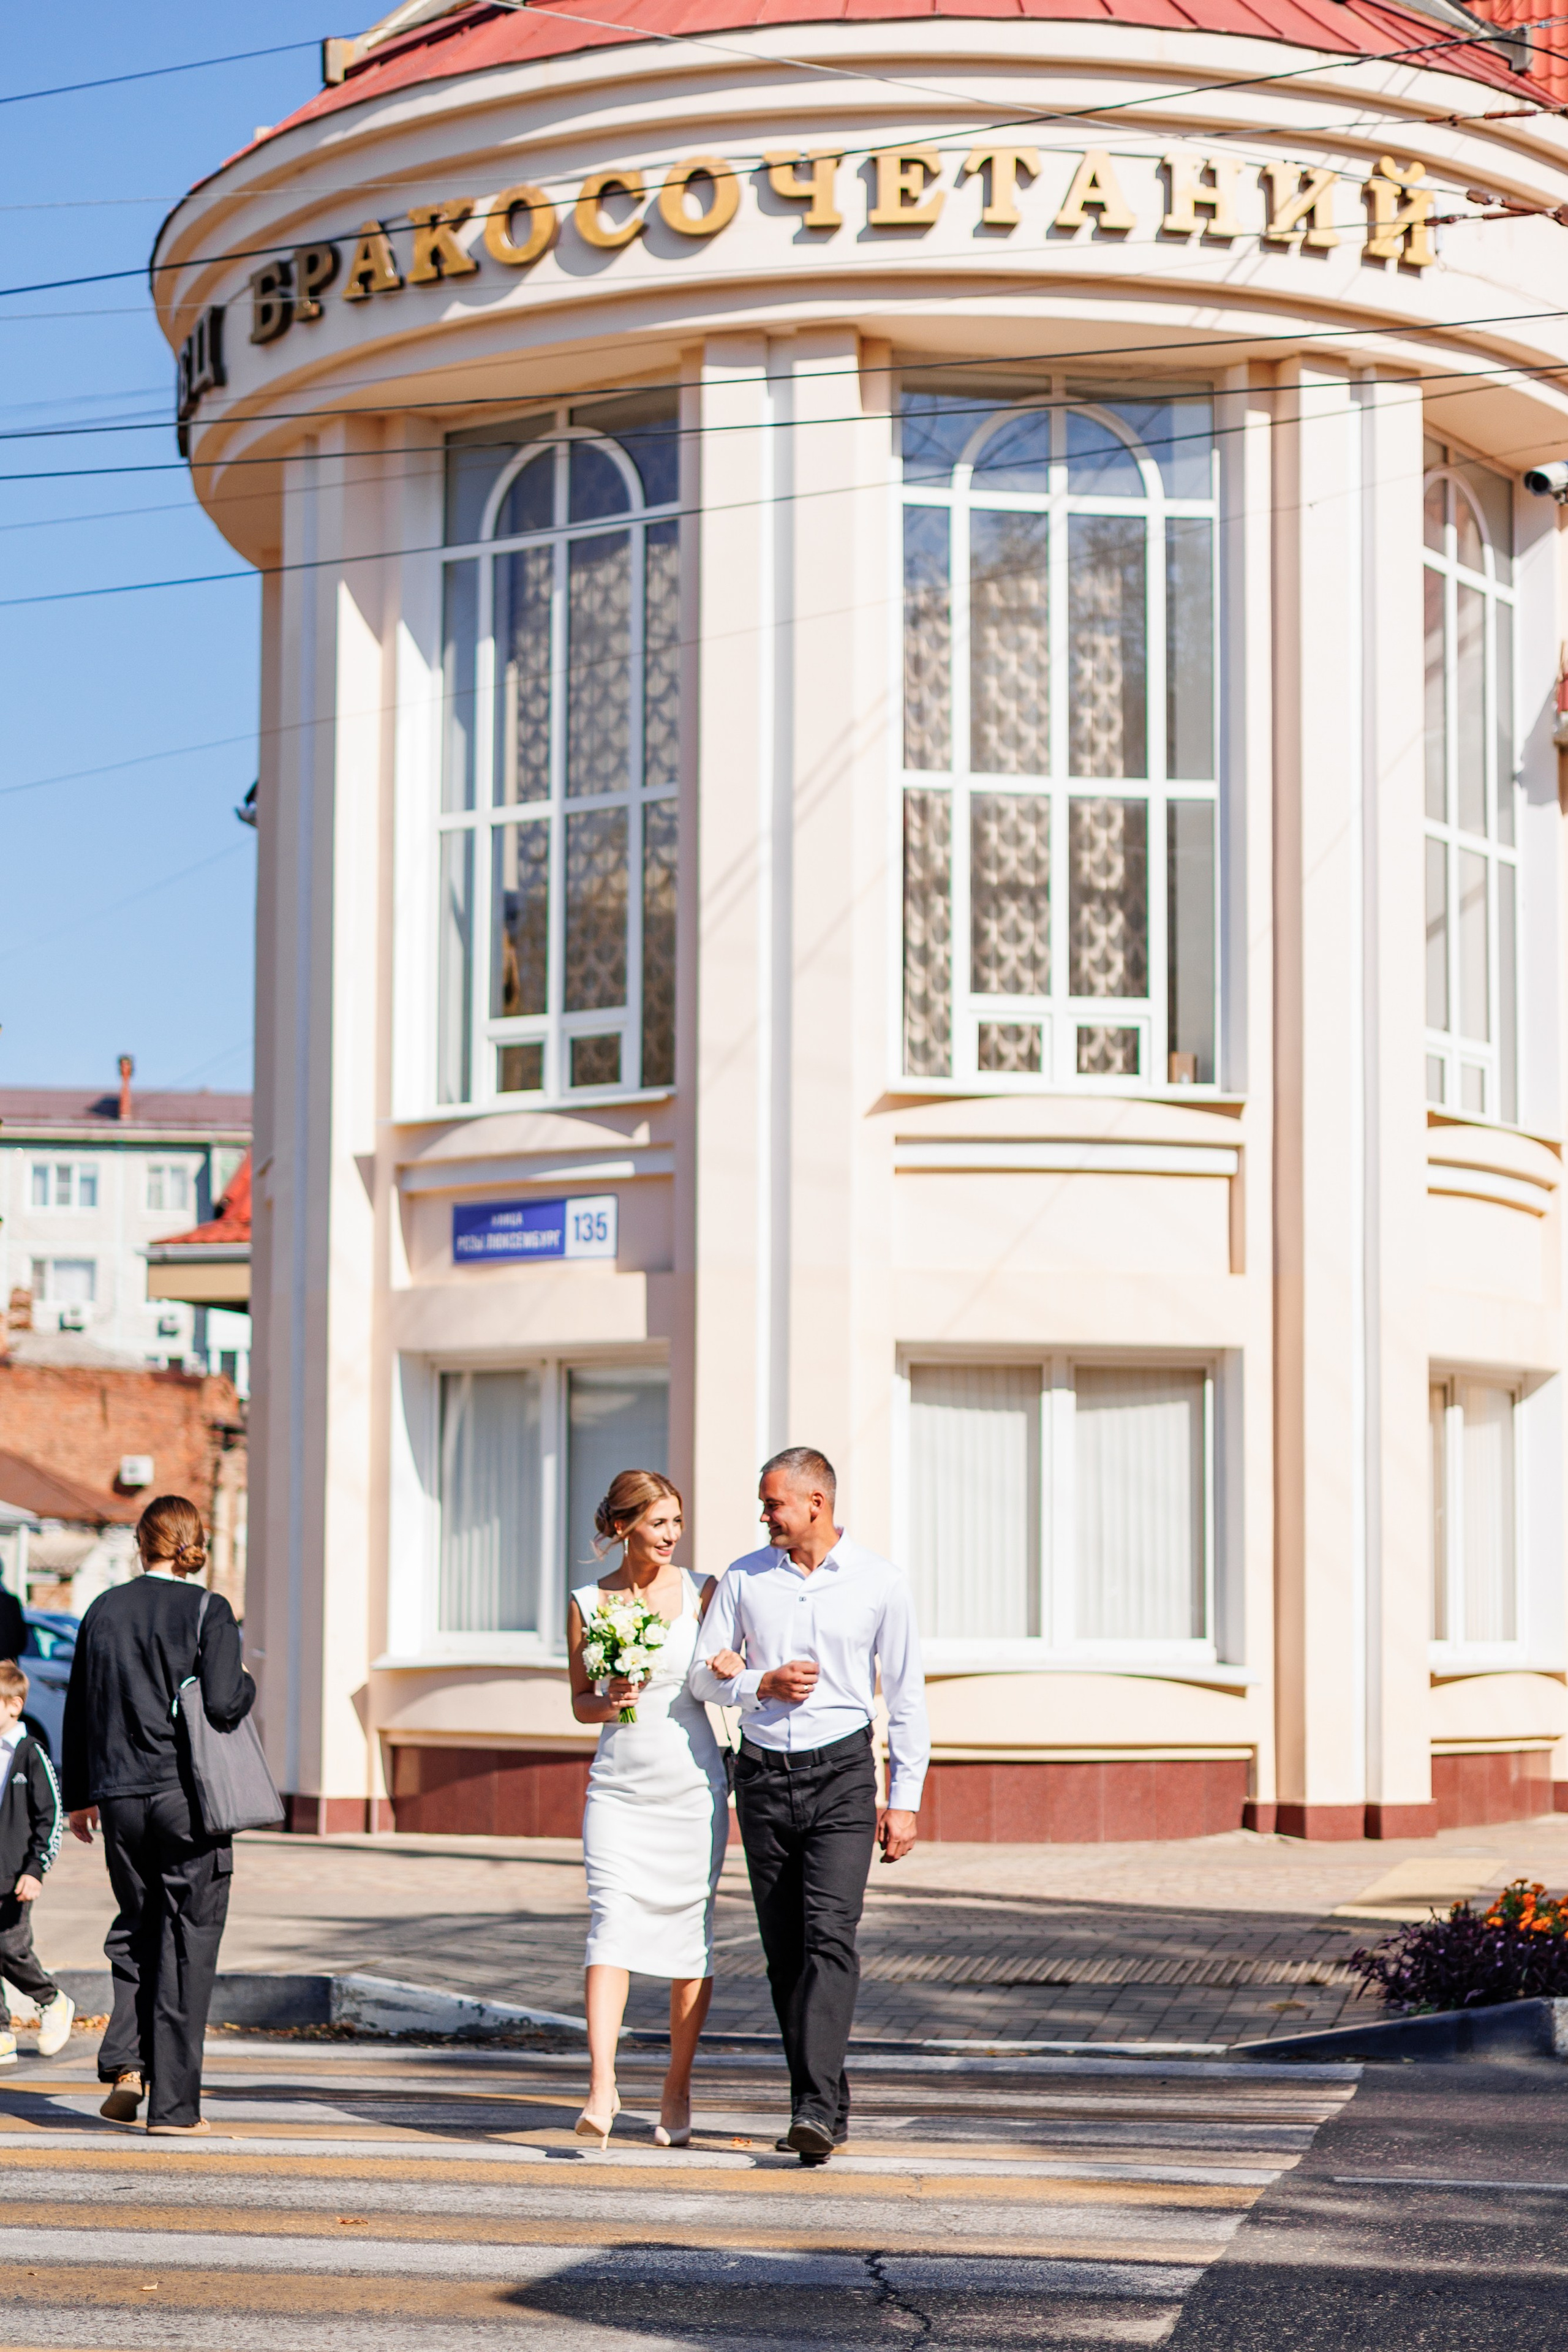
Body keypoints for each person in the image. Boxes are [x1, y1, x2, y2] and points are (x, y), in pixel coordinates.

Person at [690, 1446, 929, 2166]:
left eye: (774, 1505)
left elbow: (908, 1697)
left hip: (844, 1776)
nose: (765, 1517)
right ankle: (827, 2101)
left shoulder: (880, 1583)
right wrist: (757, 1683)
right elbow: (703, 1676)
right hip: (762, 1777)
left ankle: (813, 2110)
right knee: (784, 1953)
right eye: (765, 1507)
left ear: (815, 1504)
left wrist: (905, 1800)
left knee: (830, 1935)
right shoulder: (743, 1578)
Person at [61, 1494, 254, 2134]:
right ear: (194, 1543)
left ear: (141, 1543)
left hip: (118, 1799)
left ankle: (125, 2065)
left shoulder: (102, 1610)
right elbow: (225, 1705)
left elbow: (78, 1706)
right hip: (187, 1801)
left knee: (137, 1926)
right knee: (187, 1941)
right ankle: (174, 2107)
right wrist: (246, 1680)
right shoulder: (208, 1610)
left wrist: (79, 1797)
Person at [567, 1469, 728, 2149]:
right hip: (618, 1787)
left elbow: (729, 1670)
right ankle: (602, 2083)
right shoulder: (586, 1602)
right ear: (625, 1524)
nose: (671, 1536)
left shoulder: (704, 1591)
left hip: (691, 1786)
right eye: (659, 1523)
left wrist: (727, 1663)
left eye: (677, 1524)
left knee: (690, 1935)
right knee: (610, 1922)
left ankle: (677, 2085)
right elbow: (579, 1701)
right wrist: (611, 1698)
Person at [0, 1659, 75, 2058]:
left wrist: (36, 1869)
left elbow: (50, 1818)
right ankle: (1, 2033)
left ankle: (52, 2000)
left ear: (14, 1706)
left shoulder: (31, 1754)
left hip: (14, 1876)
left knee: (10, 1949)